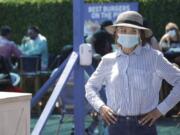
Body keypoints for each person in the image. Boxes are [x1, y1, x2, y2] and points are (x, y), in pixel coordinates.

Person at [85, 11, 180, 135]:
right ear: (116, 34)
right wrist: (101, 108)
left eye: (133, 31)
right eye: (122, 30)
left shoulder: (154, 57)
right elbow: (90, 87)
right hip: (115, 125)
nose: (127, 34)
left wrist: (161, 110)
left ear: (140, 35)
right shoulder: (107, 60)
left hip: (145, 125)